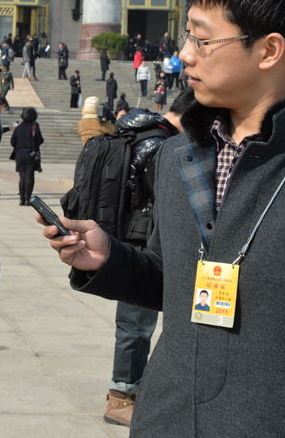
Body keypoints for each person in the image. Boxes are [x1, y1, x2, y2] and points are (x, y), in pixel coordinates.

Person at [38, 0, 285, 437]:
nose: (185, 54)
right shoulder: (178, 156)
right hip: (167, 418)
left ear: (269, 50)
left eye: (202, 39)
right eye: (186, 35)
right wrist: (108, 259)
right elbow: (169, 281)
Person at [98, 91, 192, 427]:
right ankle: (120, 396)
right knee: (136, 322)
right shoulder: (160, 144)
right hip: (141, 237)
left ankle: (129, 390)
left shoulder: (143, 133)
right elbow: (161, 200)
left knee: (135, 321)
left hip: (130, 232)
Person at [11, 107, 43, 206]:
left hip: (20, 154)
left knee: (22, 177)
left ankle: (21, 199)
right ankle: (28, 198)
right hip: (31, 155)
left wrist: (19, 147)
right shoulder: (35, 126)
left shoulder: (19, 127)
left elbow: (12, 141)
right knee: (29, 177)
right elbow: (40, 140)